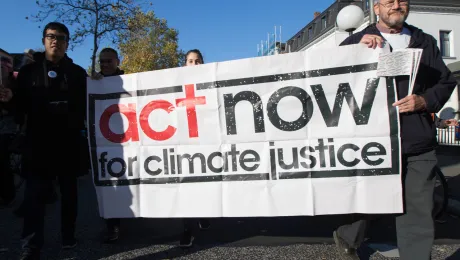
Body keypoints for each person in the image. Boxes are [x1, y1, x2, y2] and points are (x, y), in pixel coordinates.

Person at [332, 1, 457, 260]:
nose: (397, 6)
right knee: (368, 200)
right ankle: (348, 236)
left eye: (402, 1)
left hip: (416, 139)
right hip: (370, 142)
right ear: (377, 8)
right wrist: (352, 50)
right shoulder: (356, 40)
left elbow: (445, 81)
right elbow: (332, 82)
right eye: (389, 1)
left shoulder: (425, 41)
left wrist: (424, 100)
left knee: (417, 209)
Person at [15, 22, 88, 260]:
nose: (55, 40)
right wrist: (7, 100)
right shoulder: (28, 72)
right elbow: (18, 109)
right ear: (44, 39)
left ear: (68, 43)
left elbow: (92, 103)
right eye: (50, 36)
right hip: (38, 145)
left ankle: (68, 236)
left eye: (61, 37)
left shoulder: (78, 73)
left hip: (68, 144)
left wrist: (100, 82)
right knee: (33, 197)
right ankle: (31, 246)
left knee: (70, 196)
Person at [91, 47, 125, 243]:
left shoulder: (130, 80)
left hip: (128, 139)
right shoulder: (94, 82)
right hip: (106, 140)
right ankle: (112, 225)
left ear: (117, 61)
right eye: (101, 62)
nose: (104, 65)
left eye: (108, 61)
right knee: (110, 183)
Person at [179, 49, 211, 248]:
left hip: (206, 141)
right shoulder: (175, 83)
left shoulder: (211, 81)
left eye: (197, 61)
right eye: (190, 61)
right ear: (184, 64)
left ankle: (205, 211)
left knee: (205, 181)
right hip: (184, 142)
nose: (194, 64)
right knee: (187, 186)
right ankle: (187, 229)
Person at [0, 48, 17, 208]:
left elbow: (20, 109)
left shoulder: (16, 84)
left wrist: (9, 102)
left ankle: (7, 193)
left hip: (11, 128)